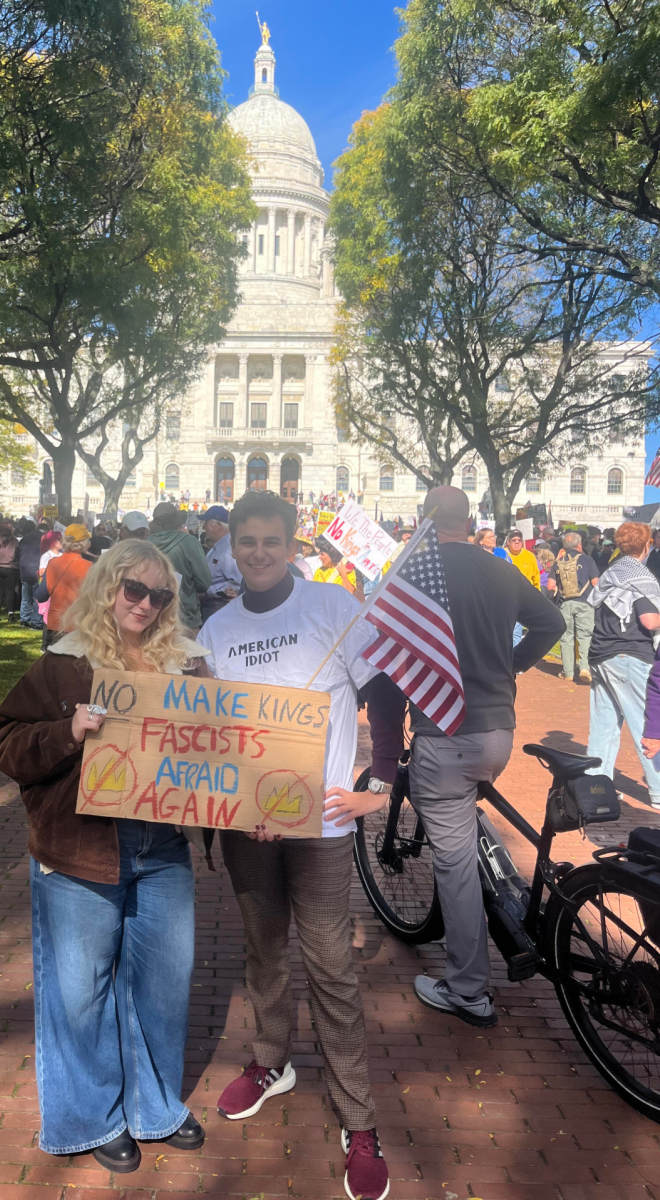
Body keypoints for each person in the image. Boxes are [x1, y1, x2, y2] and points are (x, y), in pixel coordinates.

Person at [0, 541, 208, 1171]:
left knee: (164, 985)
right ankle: (90, 1117)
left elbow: (221, 752)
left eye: (158, 595)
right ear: (108, 587)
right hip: (79, 845)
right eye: (132, 589)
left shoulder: (188, 664)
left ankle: (154, 1106)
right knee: (79, 992)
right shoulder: (65, 662)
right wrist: (68, 731)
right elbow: (3, 741)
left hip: (162, 844)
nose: (144, 604)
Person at [198, 490, 390, 1200]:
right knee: (263, 952)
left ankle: (358, 1118)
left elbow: (387, 697)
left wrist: (379, 786)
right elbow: (211, 730)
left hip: (322, 827)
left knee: (331, 966)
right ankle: (270, 1061)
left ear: (291, 544)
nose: (257, 552)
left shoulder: (333, 608)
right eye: (245, 541)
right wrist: (228, 804)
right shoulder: (216, 629)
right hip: (249, 826)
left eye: (270, 540)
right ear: (232, 548)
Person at [401, 489, 563, 1027]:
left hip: (444, 731)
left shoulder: (419, 572)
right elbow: (552, 624)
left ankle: (468, 989)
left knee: (454, 869)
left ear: (425, 521)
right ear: (469, 521)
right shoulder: (501, 569)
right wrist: (511, 664)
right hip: (498, 729)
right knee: (464, 813)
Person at [586, 521, 660, 808]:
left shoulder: (612, 572)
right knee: (648, 726)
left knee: (603, 727)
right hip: (629, 655)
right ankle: (658, 790)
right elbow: (649, 621)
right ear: (647, 545)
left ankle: (596, 787)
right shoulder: (639, 576)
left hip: (600, 654)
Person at [147, 502, 212, 635]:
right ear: (176, 522)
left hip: (153, 616)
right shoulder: (189, 542)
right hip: (186, 617)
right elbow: (204, 583)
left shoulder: (145, 545)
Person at [547, 531, 599, 682]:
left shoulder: (558, 562)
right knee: (585, 636)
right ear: (579, 545)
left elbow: (550, 585)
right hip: (585, 603)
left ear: (564, 546)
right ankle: (584, 668)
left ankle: (568, 672)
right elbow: (595, 582)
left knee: (566, 638)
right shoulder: (588, 560)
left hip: (564, 604)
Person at [41, 524, 92, 648]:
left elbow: (41, 595)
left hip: (55, 622)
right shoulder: (91, 567)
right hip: (78, 624)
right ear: (84, 543)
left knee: (53, 659)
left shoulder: (52, 563)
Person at [199, 505, 241, 621]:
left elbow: (236, 584)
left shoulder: (229, 550)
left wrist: (207, 592)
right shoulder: (218, 547)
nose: (204, 527)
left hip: (219, 607)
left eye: (206, 523)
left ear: (218, 525)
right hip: (212, 607)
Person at [17, 519, 44, 630]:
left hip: (24, 571)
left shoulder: (24, 540)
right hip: (38, 571)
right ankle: (36, 621)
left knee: (25, 597)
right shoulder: (42, 539)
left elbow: (17, 554)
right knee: (37, 598)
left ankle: (24, 619)